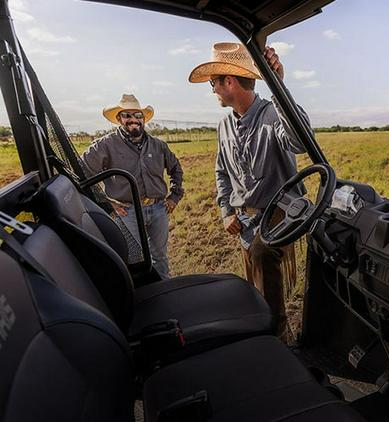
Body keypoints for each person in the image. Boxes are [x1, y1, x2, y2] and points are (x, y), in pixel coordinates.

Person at [189, 42, 308, 342]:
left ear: (228, 81)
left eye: (213, 83)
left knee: (261, 256)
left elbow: (300, 142)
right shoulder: (223, 126)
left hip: (278, 211)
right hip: (245, 219)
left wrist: (278, 87)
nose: (213, 90)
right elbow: (221, 172)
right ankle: (265, 329)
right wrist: (226, 210)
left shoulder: (272, 114)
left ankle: (278, 339)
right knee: (257, 284)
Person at [80, 94, 183, 279]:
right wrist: (106, 202)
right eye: (127, 115)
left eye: (138, 116)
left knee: (160, 256)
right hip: (127, 212)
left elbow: (176, 169)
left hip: (159, 209)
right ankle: (144, 293)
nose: (133, 120)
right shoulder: (104, 146)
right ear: (119, 119)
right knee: (135, 259)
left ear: (144, 119)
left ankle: (165, 288)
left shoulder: (158, 145)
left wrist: (174, 196)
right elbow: (81, 173)